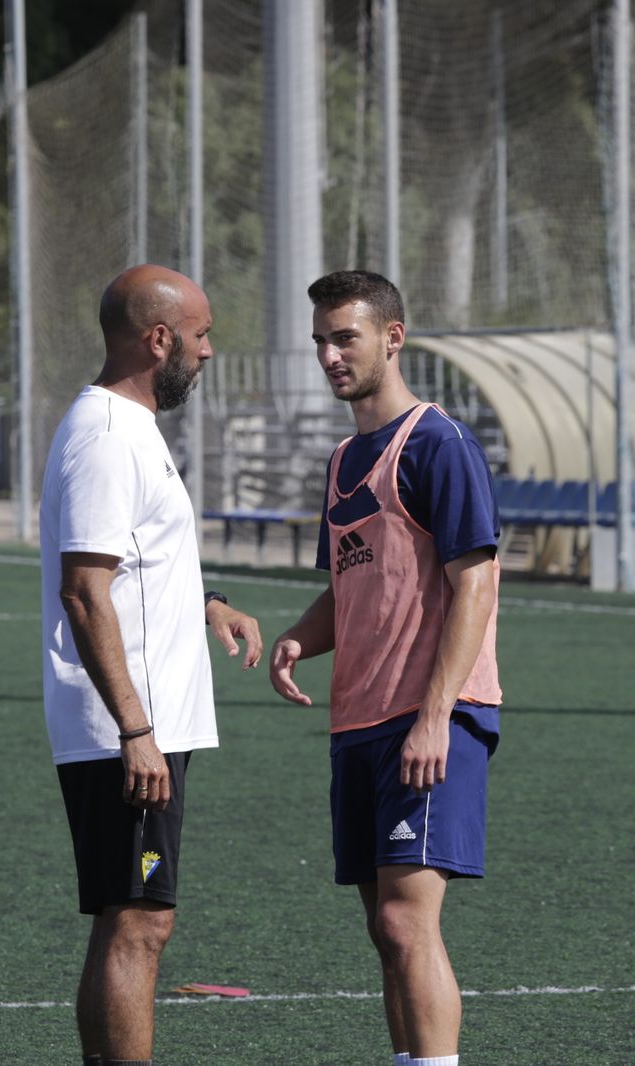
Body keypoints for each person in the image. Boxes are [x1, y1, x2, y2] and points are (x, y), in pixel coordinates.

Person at [269, 270, 501, 1066]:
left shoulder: (439, 443)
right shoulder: (343, 458)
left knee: (407, 921)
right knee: (384, 928)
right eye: (320, 341)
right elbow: (351, 580)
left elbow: (476, 582)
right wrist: (302, 636)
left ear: (393, 338)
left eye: (346, 338)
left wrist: (436, 716)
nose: (330, 356)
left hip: (429, 718)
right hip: (359, 721)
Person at [40, 264, 263, 1066]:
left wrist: (210, 605)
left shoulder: (130, 427)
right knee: (140, 922)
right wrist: (136, 730)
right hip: (129, 728)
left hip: (141, 724)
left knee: (128, 918)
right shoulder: (106, 436)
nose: (208, 352)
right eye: (201, 336)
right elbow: (84, 592)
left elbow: (136, 563)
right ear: (159, 339)